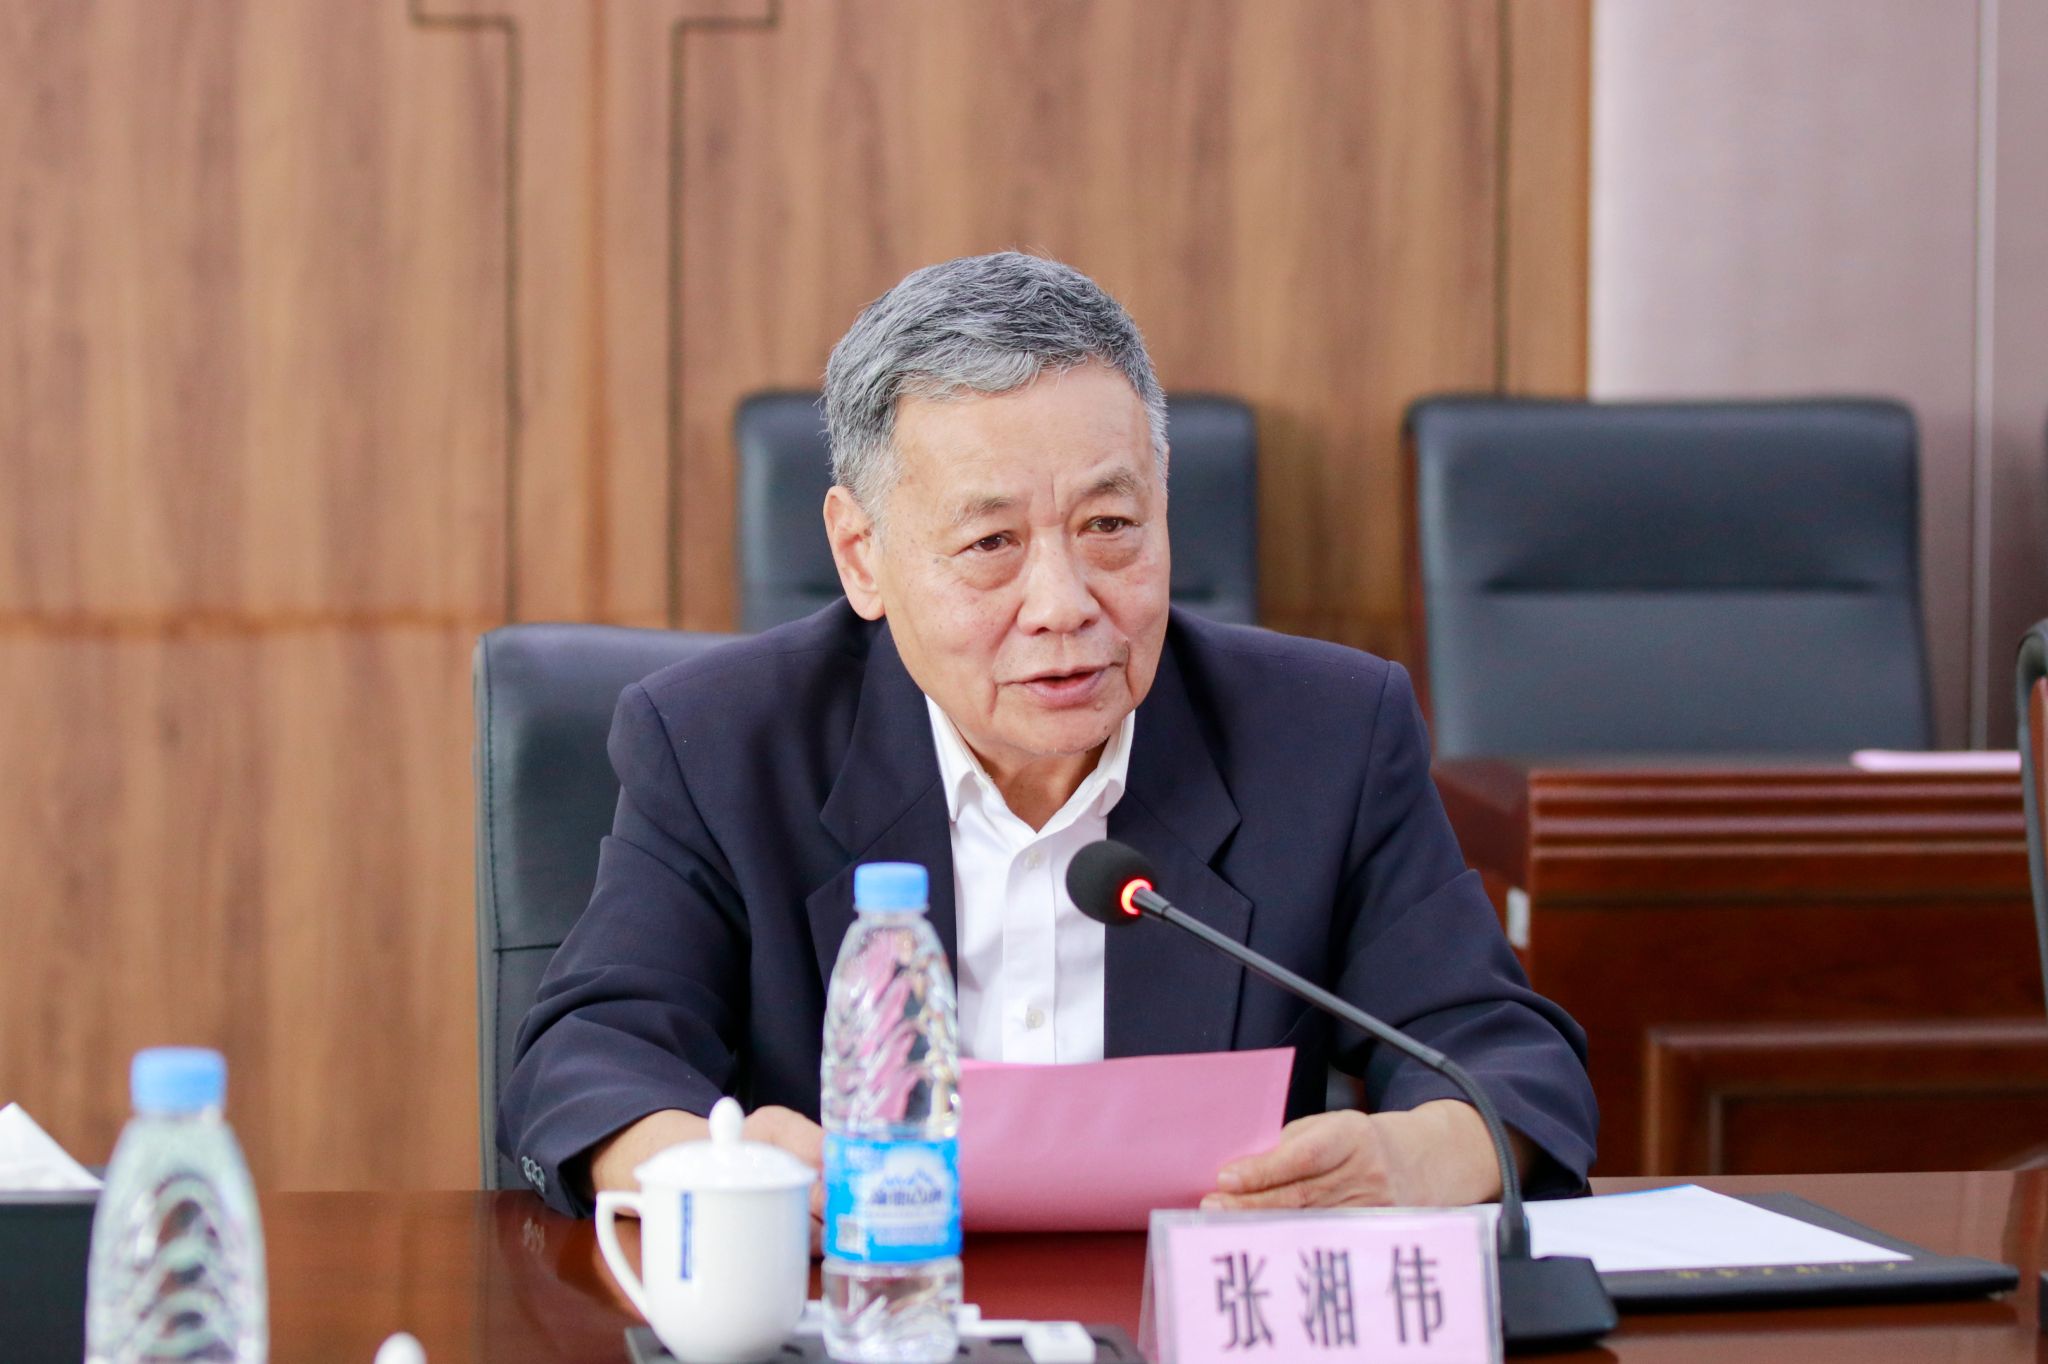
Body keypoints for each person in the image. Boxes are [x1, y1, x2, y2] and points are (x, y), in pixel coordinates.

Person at [499, 252, 1596, 1224]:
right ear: (862, 554)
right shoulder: (721, 744)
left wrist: (1415, 1156)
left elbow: (1505, 1059)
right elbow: (588, 1060)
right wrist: (719, 1168)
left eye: (1109, 526)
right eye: (991, 543)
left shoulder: (1324, 735)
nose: (1064, 603)